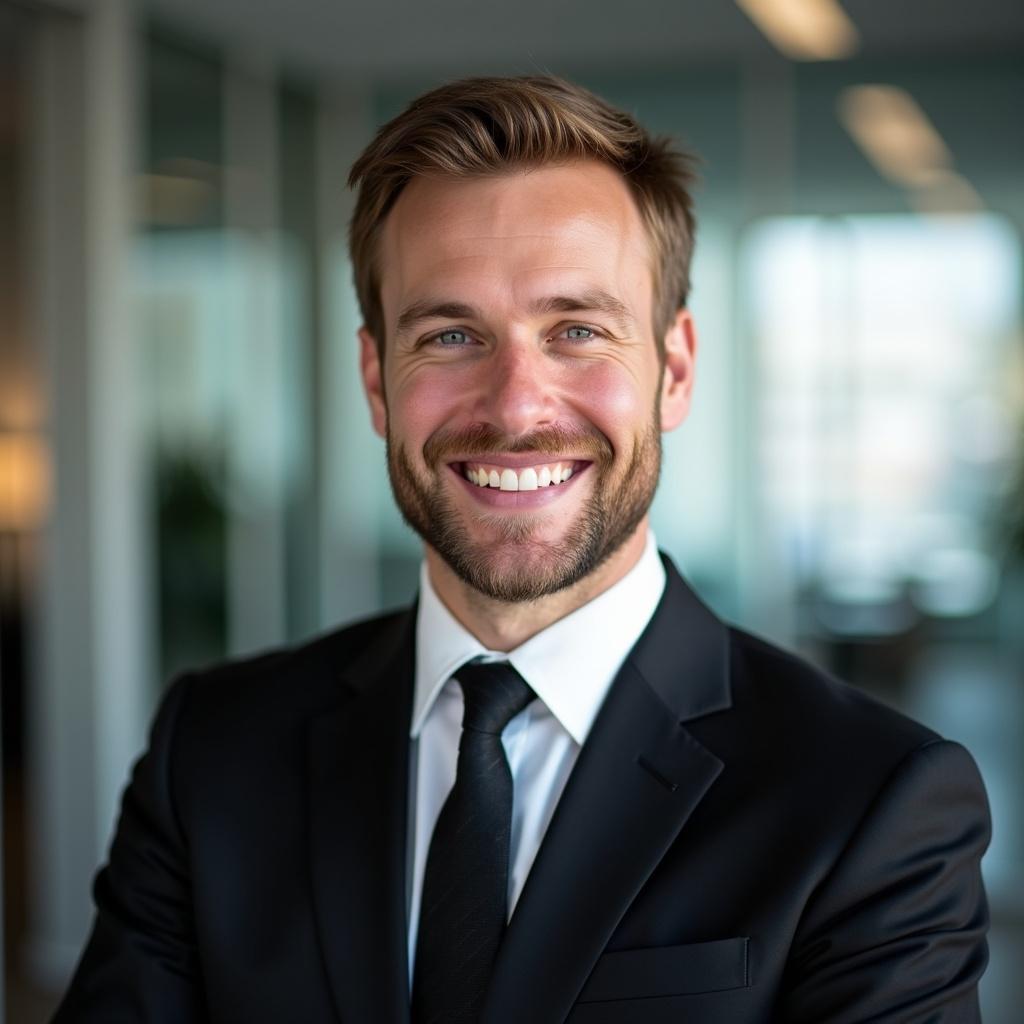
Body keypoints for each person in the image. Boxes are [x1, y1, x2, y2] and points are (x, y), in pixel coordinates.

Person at [54, 76, 990, 1023]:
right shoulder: (213, 752)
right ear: (378, 379)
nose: (514, 405)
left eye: (577, 330)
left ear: (672, 370)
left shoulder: (868, 799)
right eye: (452, 334)